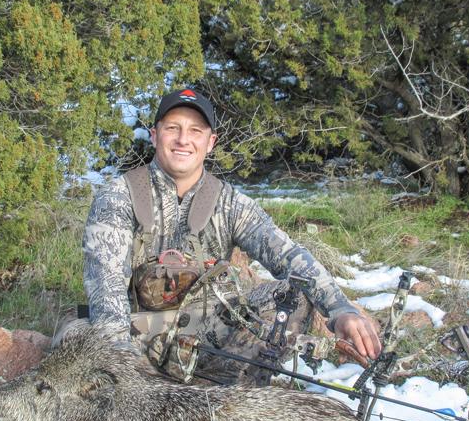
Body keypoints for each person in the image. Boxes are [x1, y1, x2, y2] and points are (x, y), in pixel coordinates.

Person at [82, 88, 381, 382]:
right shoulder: (118, 197)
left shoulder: (229, 202)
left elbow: (289, 256)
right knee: (80, 343)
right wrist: (121, 367)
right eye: (173, 128)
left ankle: (237, 390)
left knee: (294, 296)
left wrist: (339, 308)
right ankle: (154, 385)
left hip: (205, 334)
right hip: (136, 337)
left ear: (211, 142)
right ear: (154, 134)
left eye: (195, 131)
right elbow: (107, 296)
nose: (183, 140)